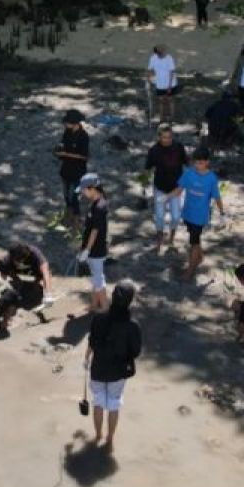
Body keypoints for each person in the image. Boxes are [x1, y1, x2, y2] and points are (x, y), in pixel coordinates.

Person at [83, 280, 141, 451]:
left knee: (98, 403)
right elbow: (136, 352)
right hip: (118, 372)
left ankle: (98, 435)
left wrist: (86, 360)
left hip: (98, 369)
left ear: (112, 297)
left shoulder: (99, 318)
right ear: (129, 301)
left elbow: (91, 343)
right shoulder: (133, 326)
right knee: (114, 405)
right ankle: (110, 440)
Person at [176, 146, 226, 280]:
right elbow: (179, 189)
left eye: (201, 162)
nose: (198, 165)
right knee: (195, 241)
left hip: (200, 216)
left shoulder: (211, 178)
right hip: (188, 213)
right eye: (196, 162)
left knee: (193, 242)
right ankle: (200, 257)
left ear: (207, 162)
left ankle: (190, 271)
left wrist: (222, 213)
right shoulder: (189, 173)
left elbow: (217, 197)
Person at [142, 124, 188, 253]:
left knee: (175, 216)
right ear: (159, 137)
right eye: (164, 137)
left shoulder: (179, 147)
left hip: (176, 188)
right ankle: (159, 239)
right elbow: (148, 168)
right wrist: (144, 181)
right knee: (160, 216)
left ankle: (172, 237)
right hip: (160, 187)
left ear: (172, 136)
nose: (167, 140)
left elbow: (187, 165)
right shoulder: (154, 150)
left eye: (169, 137)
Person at [76, 173, 110, 311]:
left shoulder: (100, 207)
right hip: (92, 248)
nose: (83, 193)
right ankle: (94, 304)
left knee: (98, 279)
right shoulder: (95, 203)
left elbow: (95, 231)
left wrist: (87, 250)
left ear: (92, 189)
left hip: (96, 250)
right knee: (95, 278)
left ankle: (106, 307)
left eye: (84, 190)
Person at [54, 110, 89, 229]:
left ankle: (77, 218)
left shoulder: (84, 136)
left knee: (74, 196)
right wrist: (59, 149)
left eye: (68, 123)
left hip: (78, 171)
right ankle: (69, 216)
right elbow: (63, 143)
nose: (66, 125)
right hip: (66, 169)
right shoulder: (67, 132)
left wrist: (67, 154)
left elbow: (84, 156)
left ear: (75, 123)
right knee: (66, 194)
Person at [0, 241, 54, 307]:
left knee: (47, 273)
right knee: (1, 264)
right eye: (15, 260)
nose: (16, 261)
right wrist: (0, 289)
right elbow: (3, 274)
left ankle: (35, 287)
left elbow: (45, 271)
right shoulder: (10, 257)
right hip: (17, 271)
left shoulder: (35, 253)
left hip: (32, 270)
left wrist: (48, 294)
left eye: (18, 260)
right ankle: (19, 285)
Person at [147, 45, 177, 124]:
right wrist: (149, 80)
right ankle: (162, 118)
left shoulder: (169, 58)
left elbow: (171, 72)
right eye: (162, 52)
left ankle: (171, 118)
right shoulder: (153, 58)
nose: (164, 53)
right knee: (161, 101)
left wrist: (170, 86)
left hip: (171, 84)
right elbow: (150, 70)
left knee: (170, 100)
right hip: (160, 84)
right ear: (158, 53)